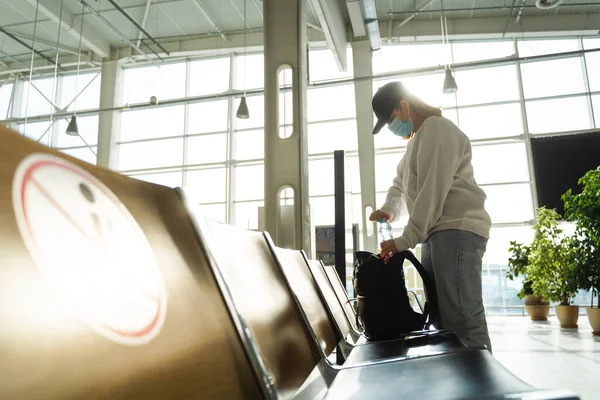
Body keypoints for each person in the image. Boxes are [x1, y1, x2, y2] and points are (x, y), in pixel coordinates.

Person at [369, 81, 493, 352]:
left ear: (404, 106)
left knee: (462, 315)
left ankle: (482, 387)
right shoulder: (416, 140)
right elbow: (400, 184)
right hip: (435, 232)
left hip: (456, 228)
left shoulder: (437, 130)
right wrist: (389, 210)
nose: (392, 128)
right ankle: (459, 383)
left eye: (390, 120)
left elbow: (431, 193)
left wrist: (403, 240)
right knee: (442, 318)